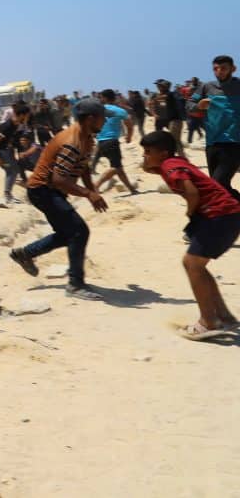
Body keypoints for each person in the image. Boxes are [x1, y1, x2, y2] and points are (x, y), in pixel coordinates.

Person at [139, 131, 240, 340]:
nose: (145, 155)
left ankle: (208, 322)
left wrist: (191, 212)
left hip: (219, 215)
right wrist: (147, 160)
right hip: (227, 214)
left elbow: (191, 192)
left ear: (163, 153)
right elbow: (149, 168)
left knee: (193, 264)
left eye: (148, 152)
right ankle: (224, 316)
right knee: (196, 265)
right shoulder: (174, 161)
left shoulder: (170, 166)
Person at [8, 98, 109, 300]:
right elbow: (59, 179)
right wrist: (89, 194)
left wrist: (91, 191)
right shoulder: (72, 141)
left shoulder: (87, 138)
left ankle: (25, 254)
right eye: (102, 118)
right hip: (42, 190)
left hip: (51, 190)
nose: (104, 122)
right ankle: (75, 284)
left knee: (67, 234)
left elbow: (84, 167)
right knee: (79, 231)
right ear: (90, 119)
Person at [189, 56, 240, 191]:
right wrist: (198, 106)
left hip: (234, 143)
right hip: (212, 142)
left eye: (223, 68)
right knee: (219, 186)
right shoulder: (206, 87)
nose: (219, 71)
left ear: (233, 69)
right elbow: (189, 104)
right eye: (215, 69)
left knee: (218, 183)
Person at [93, 89, 138, 195]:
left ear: (104, 98)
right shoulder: (120, 111)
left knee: (118, 167)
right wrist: (129, 137)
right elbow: (129, 125)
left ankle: (132, 189)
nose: (100, 99)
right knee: (115, 167)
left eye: (101, 97)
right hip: (112, 141)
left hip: (100, 142)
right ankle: (95, 186)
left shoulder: (97, 111)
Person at [0, 103, 32, 204]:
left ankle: (8, 194)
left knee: (14, 170)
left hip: (5, 148)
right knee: (12, 170)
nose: (28, 117)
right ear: (22, 115)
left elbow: (9, 138)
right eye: (27, 115)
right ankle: (7, 195)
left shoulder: (16, 124)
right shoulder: (8, 125)